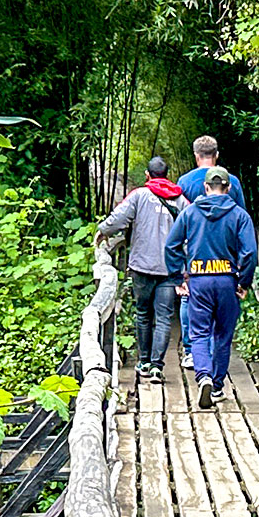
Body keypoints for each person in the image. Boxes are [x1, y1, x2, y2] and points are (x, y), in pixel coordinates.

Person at [165, 165, 257, 409]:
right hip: (227, 280)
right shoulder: (239, 215)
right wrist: (244, 281)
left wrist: (177, 277)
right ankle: (216, 386)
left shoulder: (190, 213)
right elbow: (249, 252)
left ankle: (203, 374)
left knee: (199, 332)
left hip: (199, 279)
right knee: (223, 336)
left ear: (205, 187)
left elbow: (171, 245)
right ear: (228, 188)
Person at [97, 157, 190, 381]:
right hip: (169, 269)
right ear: (167, 175)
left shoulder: (139, 195)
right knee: (164, 317)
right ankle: (158, 366)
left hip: (141, 266)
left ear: (148, 175)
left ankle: (144, 362)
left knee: (143, 314)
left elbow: (118, 219)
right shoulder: (181, 200)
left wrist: (102, 230)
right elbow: (191, 232)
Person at [175, 135, 246, 209]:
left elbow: (179, 212)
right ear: (217, 155)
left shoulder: (184, 182)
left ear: (196, 156)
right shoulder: (232, 180)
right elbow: (241, 211)